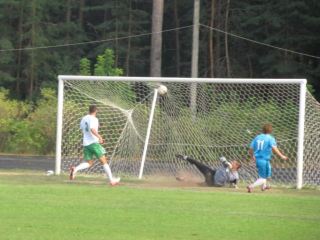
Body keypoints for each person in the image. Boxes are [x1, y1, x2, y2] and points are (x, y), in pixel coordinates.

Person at [69, 105, 120, 186]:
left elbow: (82, 129)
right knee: (104, 162)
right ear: (96, 111)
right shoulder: (94, 119)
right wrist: (99, 137)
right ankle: (112, 180)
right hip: (93, 143)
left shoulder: (84, 118)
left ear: (89, 110)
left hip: (86, 144)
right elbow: (92, 129)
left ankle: (76, 169)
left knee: (89, 163)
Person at [247, 123, 288, 193]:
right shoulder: (270, 138)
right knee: (263, 178)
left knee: (267, 172)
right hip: (263, 160)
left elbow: (250, 149)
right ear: (271, 131)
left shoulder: (257, 137)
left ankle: (264, 186)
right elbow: (274, 148)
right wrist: (281, 156)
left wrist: (252, 156)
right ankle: (251, 186)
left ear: (262, 130)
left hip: (260, 160)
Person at [176, 154, 242, 188]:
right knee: (199, 164)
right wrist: (225, 162)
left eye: (234, 163)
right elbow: (222, 157)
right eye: (232, 161)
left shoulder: (235, 176)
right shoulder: (227, 164)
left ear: (236, 167)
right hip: (213, 172)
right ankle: (186, 157)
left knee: (199, 184)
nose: (232, 162)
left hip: (213, 182)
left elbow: (233, 183)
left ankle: (185, 180)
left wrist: (234, 185)